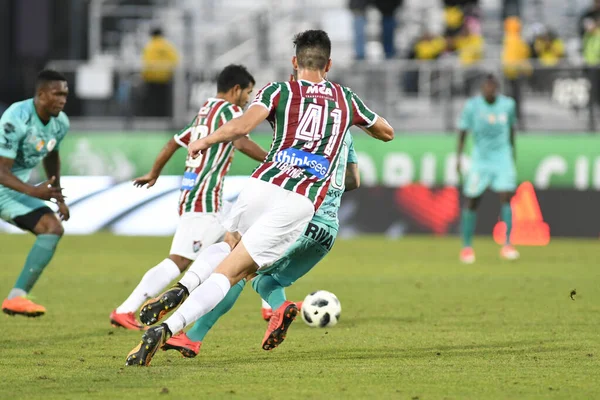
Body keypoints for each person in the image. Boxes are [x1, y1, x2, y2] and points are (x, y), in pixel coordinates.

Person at [124, 29, 394, 366]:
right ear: (330, 64)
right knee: (233, 274)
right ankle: (168, 328)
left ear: (295, 62)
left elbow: (240, 127)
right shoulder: (346, 99)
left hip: (263, 183)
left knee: (227, 245)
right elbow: (386, 132)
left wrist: (205, 141)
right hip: (299, 202)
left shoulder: (277, 90)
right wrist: (358, 123)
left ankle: (184, 287)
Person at [162, 132, 360, 357]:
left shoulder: (307, 125)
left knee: (237, 268)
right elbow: (354, 180)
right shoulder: (346, 132)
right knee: (264, 279)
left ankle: (194, 337)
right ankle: (279, 308)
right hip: (327, 231)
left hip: (300, 217)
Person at [110, 65, 267, 330]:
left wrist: (154, 172)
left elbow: (174, 142)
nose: (248, 100)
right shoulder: (230, 111)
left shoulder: (205, 111)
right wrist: (273, 160)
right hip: (204, 200)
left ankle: (270, 306)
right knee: (180, 260)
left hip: (207, 199)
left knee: (251, 243)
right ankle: (125, 309)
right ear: (236, 89)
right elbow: (241, 143)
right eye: (248, 93)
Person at [0, 70, 70, 317]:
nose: (62, 99)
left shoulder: (60, 123)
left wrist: (57, 196)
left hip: (9, 190)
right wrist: (33, 191)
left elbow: (52, 155)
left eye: (65, 94)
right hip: (6, 182)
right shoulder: (16, 118)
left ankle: (16, 298)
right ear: (41, 94)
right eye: (57, 93)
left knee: (52, 227)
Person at [456, 74, 519, 264]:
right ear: (482, 88)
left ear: (497, 87)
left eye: (492, 86)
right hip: (480, 160)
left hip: (502, 157)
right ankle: (467, 248)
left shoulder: (508, 105)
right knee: (472, 199)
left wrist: (512, 155)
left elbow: (511, 131)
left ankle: (507, 244)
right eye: (486, 86)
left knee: (506, 196)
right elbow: (462, 131)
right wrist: (458, 157)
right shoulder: (472, 106)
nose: (489, 89)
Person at [140, 27, 180, 117]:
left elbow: (146, 63)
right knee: (163, 101)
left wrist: (144, 77)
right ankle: (163, 117)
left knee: (152, 101)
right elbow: (175, 61)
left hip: (151, 79)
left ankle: (152, 118)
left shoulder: (150, 46)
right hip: (165, 79)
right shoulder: (168, 46)